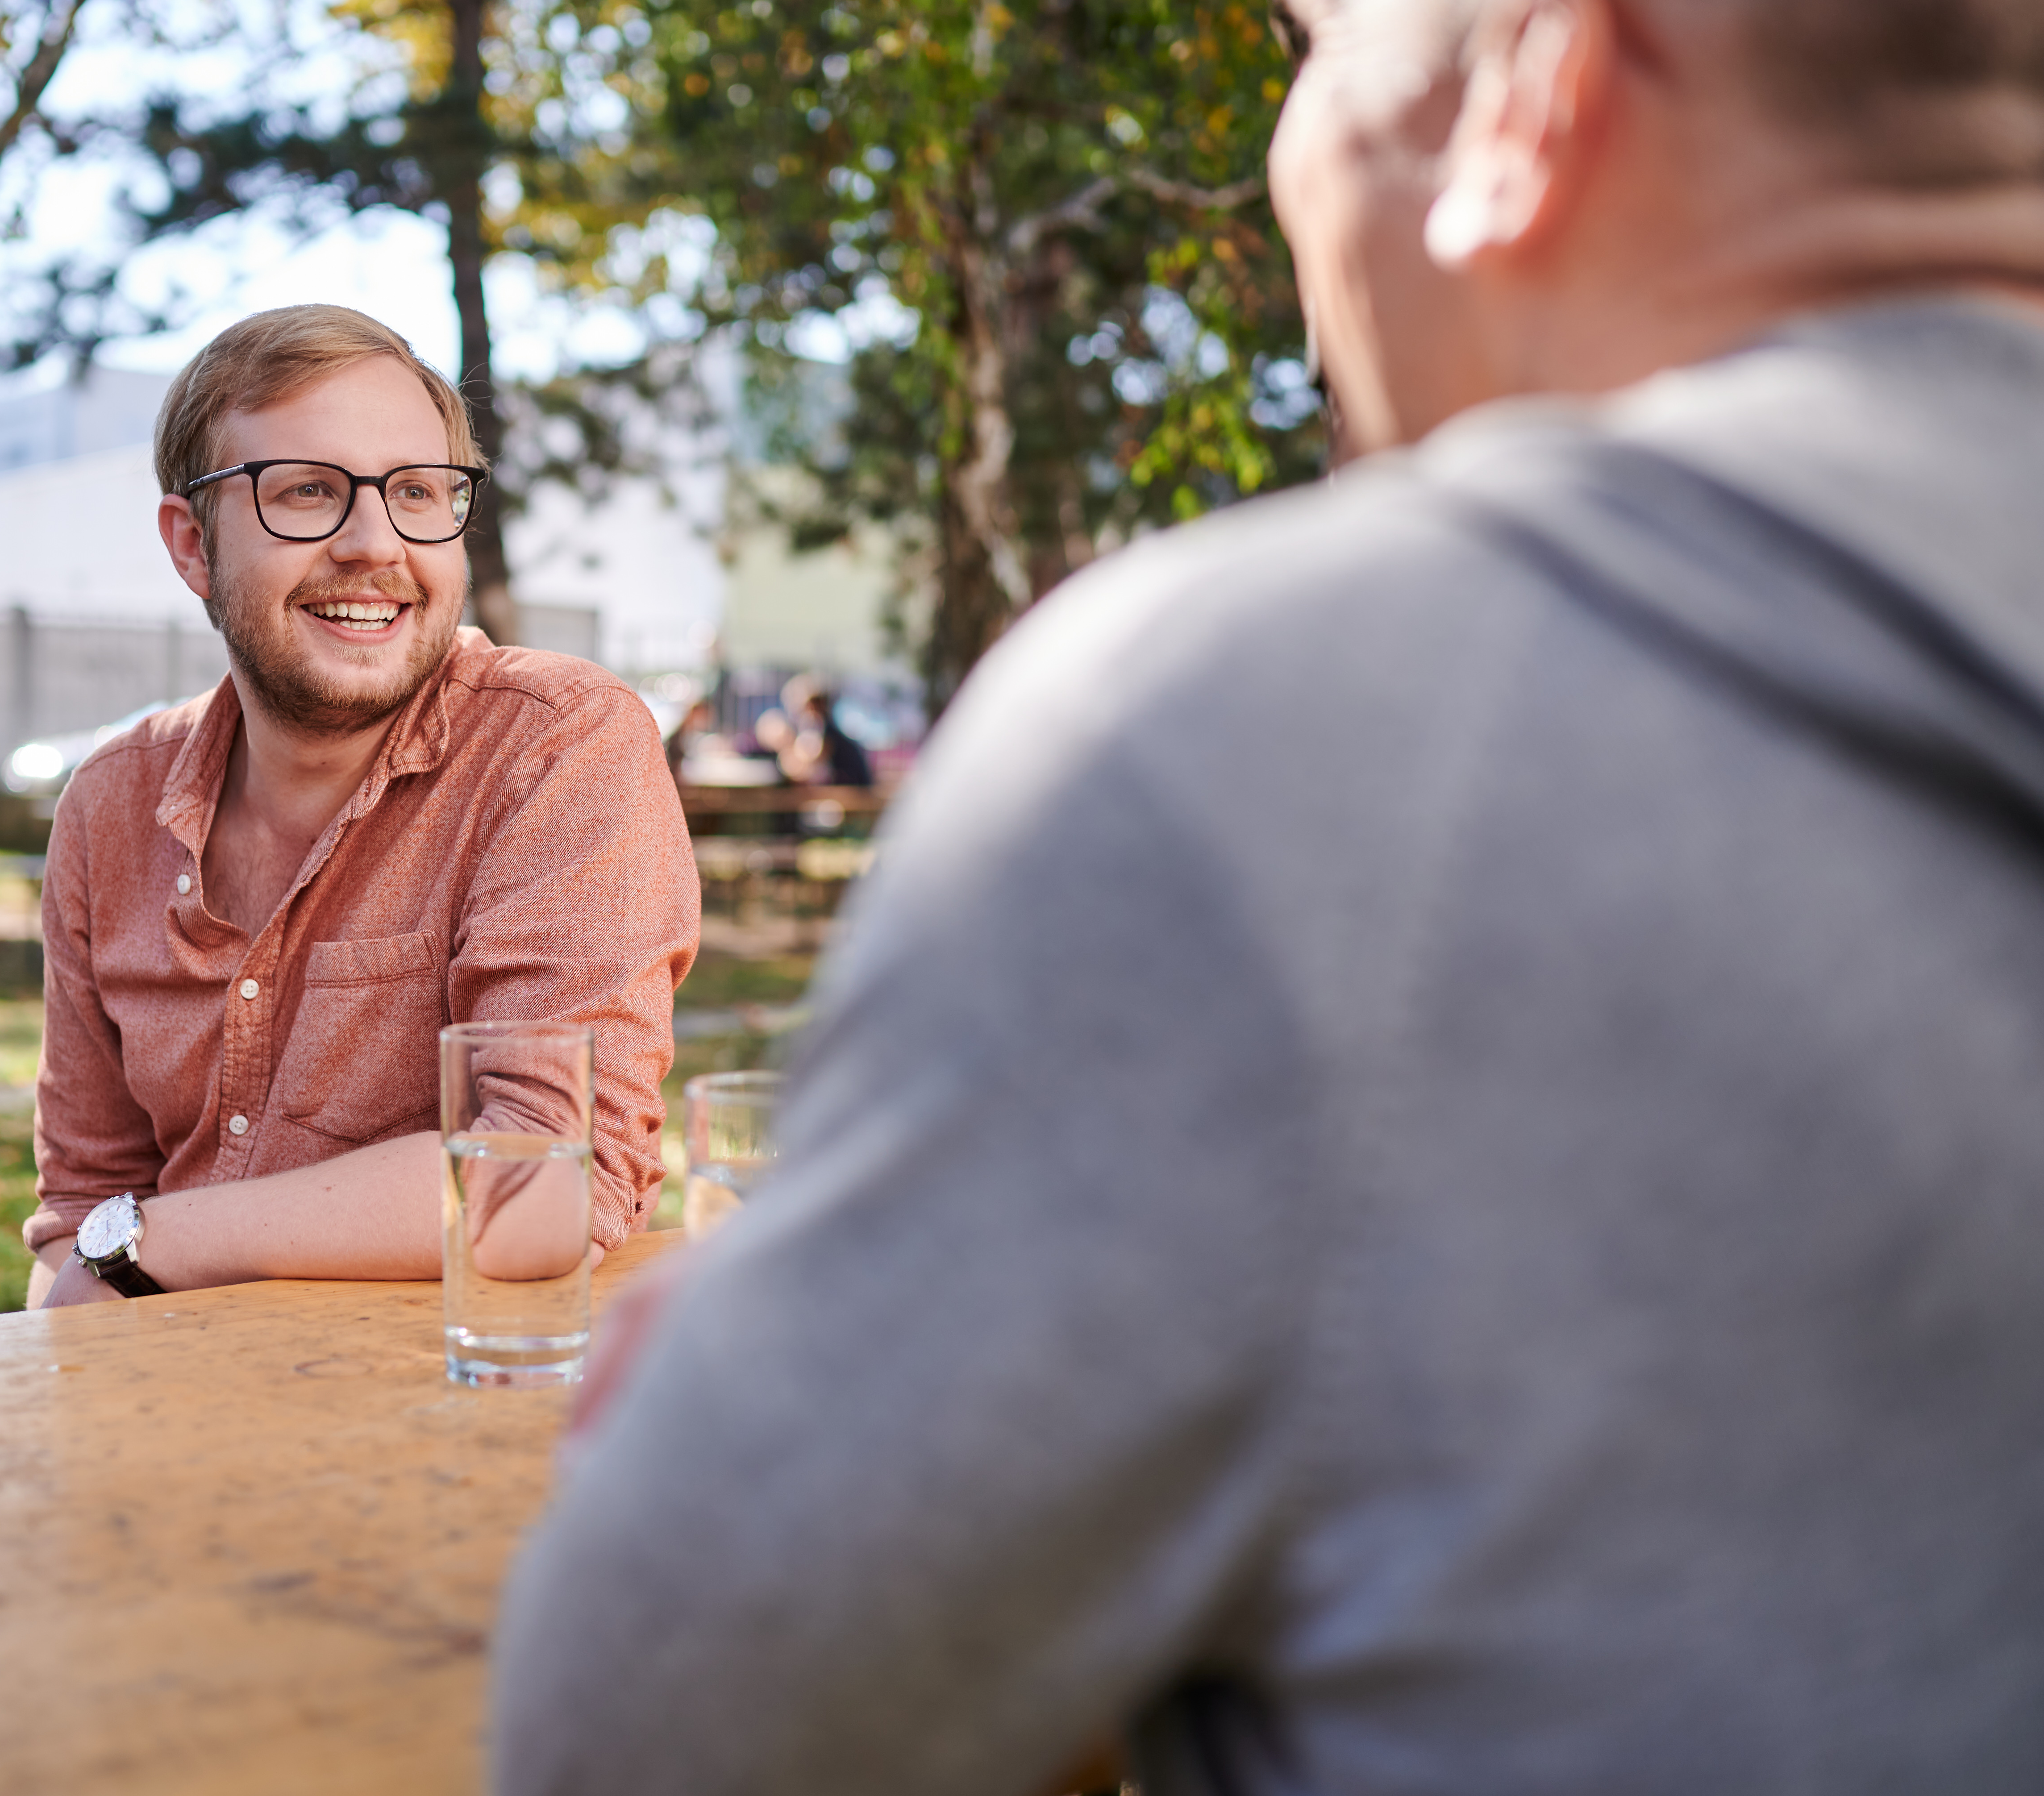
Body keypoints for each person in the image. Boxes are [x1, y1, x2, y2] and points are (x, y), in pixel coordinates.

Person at [490, 1, 2044, 1791]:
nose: (1285, 176)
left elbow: (659, 1733)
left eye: (1320, 56)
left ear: (1542, 88)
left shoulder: (1292, 725)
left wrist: (722, 1416)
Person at [24, 305, 700, 1307]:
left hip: (455, 1423)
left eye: (421, 492)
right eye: (307, 492)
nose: (375, 543)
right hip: (167, 1422)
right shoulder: (109, 808)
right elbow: (78, 1214)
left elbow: (550, 1179)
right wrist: (100, 1267)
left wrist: (148, 1238)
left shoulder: (556, 744)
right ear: (193, 545)